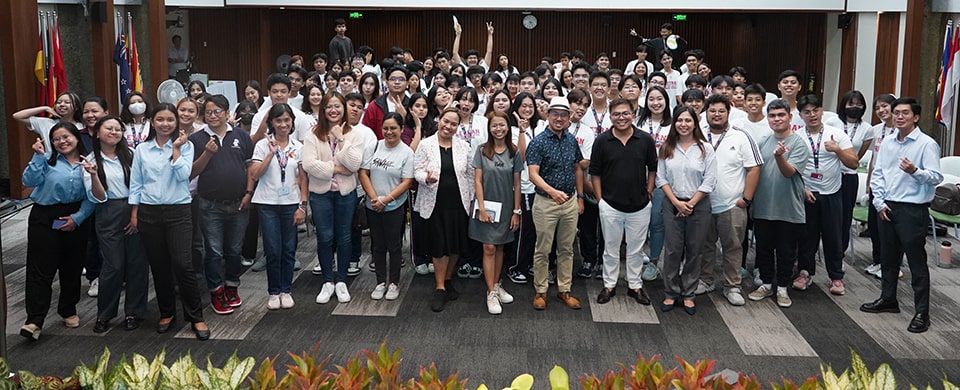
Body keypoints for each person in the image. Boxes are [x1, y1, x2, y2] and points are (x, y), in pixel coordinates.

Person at [860, 97, 942, 334]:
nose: (899, 116)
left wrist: (915, 171)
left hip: (912, 209)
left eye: (905, 113)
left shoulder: (926, 144)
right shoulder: (887, 141)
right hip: (887, 206)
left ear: (915, 117)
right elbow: (879, 173)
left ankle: (922, 312)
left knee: (916, 262)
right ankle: (888, 299)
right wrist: (878, 202)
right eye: (896, 113)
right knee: (888, 258)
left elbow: (936, 177)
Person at [129, 103, 210, 340]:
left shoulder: (187, 145)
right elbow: (136, 183)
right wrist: (134, 212)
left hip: (179, 211)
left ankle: (196, 316)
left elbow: (184, 174)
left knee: (184, 264)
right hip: (149, 212)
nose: (166, 124)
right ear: (152, 122)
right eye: (161, 119)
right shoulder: (142, 150)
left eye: (170, 120)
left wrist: (176, 149)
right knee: (159, 265)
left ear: (176, 123)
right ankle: (167, 312)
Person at [19, 122, 95, 340]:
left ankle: (68, 309)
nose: (62, 142)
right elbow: (29, 181)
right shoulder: (47, 160)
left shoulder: (88, 162)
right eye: (56, 139)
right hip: (45, 217)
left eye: (66, 137)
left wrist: (77, 218)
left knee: (71, 266)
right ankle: (34, 319)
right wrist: (38, 157)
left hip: (76, 215)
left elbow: (93, 196)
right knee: (40, 268)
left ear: (76, 137)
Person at [82, 116, 149, 333]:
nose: (114, 132)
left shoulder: (130, 155)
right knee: (114, 265)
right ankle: (105, 314)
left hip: (133, 209)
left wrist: (135, 213)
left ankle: (134, 312)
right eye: (109, 128)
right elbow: (98, 197)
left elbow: (140, 185)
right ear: (97, 133)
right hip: (108, 211)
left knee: (137, 264)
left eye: (118, 129)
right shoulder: (91, 160)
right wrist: (93, 175)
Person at [189, 95, 254, 315]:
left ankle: (232, 286)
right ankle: (216, 291)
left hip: (239, 203)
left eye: (217, 111)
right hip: (210, 205)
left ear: (227, 112)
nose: (213, 116)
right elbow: (192, 172)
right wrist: (208, 152)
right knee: (214, 251)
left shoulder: (241, 136)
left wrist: (248, 193)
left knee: (234, 250)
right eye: (208, 112)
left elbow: (249, 168)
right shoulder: (197, 139)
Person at [696, 95, 762, 306]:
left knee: (732, 246)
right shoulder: (697, 134)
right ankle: (705, 280)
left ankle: (732, 285)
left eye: (721, 111)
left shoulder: (741, 136)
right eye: (712, 110)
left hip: (731, 204)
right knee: (704, 246)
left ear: (728, 112)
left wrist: (746, 198)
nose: (716, 114)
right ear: (706, 113)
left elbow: (754, 168)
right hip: (702, 204)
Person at [589, 98, 656, 305]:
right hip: (610, 204)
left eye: (625, 113)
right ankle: (609, 285)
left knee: (636, 249)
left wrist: (649, 191)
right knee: (611, 248)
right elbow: (595, 174)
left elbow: (652, 169)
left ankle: (635, 286)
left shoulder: (645, 139)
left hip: (640, 205)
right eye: (616, 114)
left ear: (633, 114)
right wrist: (600, 200)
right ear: (610, 117)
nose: (621, 118)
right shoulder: (602, 141)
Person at [793, 94, 858, 296]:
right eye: (807, 112)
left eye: (816, 110)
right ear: (801, 115)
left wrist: (837, 150)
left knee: (833, 237)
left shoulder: (836, 134)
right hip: (806, 193)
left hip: (832, 193)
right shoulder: (797, 137)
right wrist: (802, 189)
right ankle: (805, 272)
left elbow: (853, 163)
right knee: (806, 238)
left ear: (822, 111)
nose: (812, 115)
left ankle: (836, 277)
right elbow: (791, 168)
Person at [302, 92, 364, 304]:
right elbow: (309, 165)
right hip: (321, 195)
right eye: (329, 106)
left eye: (337, 106)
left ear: (344, 108)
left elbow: (354, 164)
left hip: (345, 194)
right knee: (325, 237)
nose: (333, 110)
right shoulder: (313, 134)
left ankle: (342, 281)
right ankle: (328, 281)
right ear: (323, 110)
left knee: (344, 236)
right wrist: (336, 168)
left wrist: (340, 138)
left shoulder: (353, 134)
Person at [747, 99, 810, 309]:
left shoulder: (799, 144)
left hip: (788, 209)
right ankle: (766, 284)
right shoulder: (764, 141)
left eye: (781, 115)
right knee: (763, 249)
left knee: (786, 251)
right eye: (772, 116)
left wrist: (780, 157)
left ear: (790, 117)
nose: (777, 119)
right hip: (764, 207)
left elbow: (788, 172)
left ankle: (782, 287)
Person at [526, 96, 585, 311]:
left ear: (569, 118)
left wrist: (579, 197)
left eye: (563, 115)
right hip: (545, 202)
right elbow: (533, 174)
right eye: (555, 114)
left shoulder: (571, 140)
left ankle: (564, 290)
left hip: (569, 202)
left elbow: (577, 167)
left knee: (567, 249)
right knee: (543, 249)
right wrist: (553, 192)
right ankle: (541, 291)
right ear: (547, 115)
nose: (559, 119)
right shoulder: (538, 142)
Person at [414, 107, 476, 312]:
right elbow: (417, 171)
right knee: (439, 245)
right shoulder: (425, 144)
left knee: (455, 244)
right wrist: (426, 178)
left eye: (453, 124)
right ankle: (440, 287)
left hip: (459, 203)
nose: (448, 126)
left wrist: (472, 199)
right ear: (439, 120)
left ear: (458, 127)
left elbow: (469, 174)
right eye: (445, 121)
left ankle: (448, 279)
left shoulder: (464, 146)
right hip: (435, 202)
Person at [247, 103, 308, 310]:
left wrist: (303, 206)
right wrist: (271, 154)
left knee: (289, 249)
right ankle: (273, 292)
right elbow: (254, 174)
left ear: (292, 122)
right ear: (271, 123)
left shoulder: (298, 147)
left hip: (291, 203)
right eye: (278, 120)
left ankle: (286, 289)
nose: (283, 124)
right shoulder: (263, 145)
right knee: (273, 250)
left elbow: (303, 180)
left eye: (286, 120)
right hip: (267, 204)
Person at [656, 106, 716, 315]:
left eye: (688, 121)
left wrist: (690, 203)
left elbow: (709, 180)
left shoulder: (705, 149)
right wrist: (677, 203)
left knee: (694, 250)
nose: (683, 124)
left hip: (698, 205)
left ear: (695, 123)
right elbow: (661, 178)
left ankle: (689, 293)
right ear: (674, 123)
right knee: (672, 250)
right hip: (672, 203)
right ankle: (671, 293)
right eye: (679, 120)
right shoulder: (666, 147)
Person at [469, 111, 522, 314]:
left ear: (507, 127)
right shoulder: (482, 150)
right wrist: (481, 208)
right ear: (489, 128)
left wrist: (516, 211)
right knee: (488, 248)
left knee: (500, 247)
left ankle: (497, 284)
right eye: (494, 126)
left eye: (502, 125)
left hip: (507, 205)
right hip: (486, 206)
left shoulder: (514, 151)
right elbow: (477, 181)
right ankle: (490, 292)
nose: (498, 129)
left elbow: (517, 184)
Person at [359, 113, 415, 301]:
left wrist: (387, 200)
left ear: (401, 129)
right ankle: (381, 281)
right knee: (378, 245)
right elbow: (364, 173)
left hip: (394, 206)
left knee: (394, 245)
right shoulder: (374, 146)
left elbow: (407, 181)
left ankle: (394, 283)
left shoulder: (406, 152)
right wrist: (375, 198)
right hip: (373, 205)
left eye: (393, 128)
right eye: (386, 128)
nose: (389, 132)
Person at [504, 93, 543, 285]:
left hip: (543, 187)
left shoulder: (541, 126)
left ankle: (528, 263)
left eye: (530, 106)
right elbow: (520, 156)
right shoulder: (510, 129)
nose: (527, 110)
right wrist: (520, 131)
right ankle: (515, 266)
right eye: (523, 106)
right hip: (525, 187)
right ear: (516, 108)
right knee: (524, 230)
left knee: (538, 231)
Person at [635, 86, 672, 281]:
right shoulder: (638, 123)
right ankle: (636, 259)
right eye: (651, 99)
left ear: (666, 101)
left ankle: (654, 262)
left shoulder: (673, 125)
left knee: (657, 223)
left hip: (663, 181)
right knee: (639, 223)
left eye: (660, 99)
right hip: (637, 180)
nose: (655, 103)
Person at [863, 94, 898, 279]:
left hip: (893, 186)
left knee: (890, 228)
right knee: (874, 227)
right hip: (876, 185)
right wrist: (869, 183)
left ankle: (892, 265)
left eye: (885, 106)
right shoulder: (876, 130)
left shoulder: (902, 130)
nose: (881, 111)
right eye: (877, 108)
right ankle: (877, 261)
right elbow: (873, 161)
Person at [836, 90, 874, 255]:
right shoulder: (832, 122)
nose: (855, 107)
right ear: (844, 105)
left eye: (859, 104)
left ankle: (840, 252)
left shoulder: (867, 129)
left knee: (844, 218)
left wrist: (847, 159)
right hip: (829, 175)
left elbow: (858, 157)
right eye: (851, 104)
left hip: (849, 176)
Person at [13, 91, 83, 153]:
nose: (62, 105)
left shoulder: (82, 126)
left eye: (67, 102)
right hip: (52, 165)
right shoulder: (46, 123)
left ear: (76, 107)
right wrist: (45, 108)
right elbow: (17, 116)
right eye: (59, 102)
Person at [363, 66, 410, 139]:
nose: (397, 82)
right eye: (393, 79)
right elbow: (367, 132)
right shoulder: (375, 105)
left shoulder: (412, 105)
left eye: (401, 79)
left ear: (407, 83)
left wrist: (405, 118)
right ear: (387, 83)